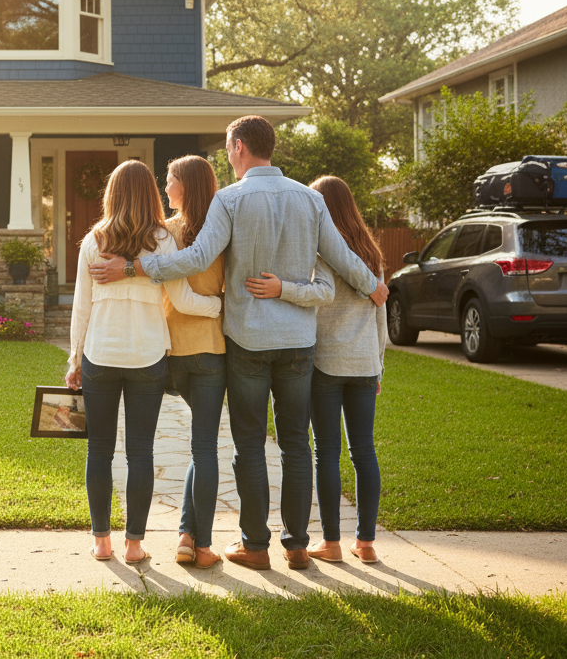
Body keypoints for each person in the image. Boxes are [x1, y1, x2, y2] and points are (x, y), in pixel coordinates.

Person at [90, 116, 387, 572]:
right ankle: (298, 546)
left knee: (249, 445)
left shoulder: (230, 200)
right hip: (298, 342)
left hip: (248, 341)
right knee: (295, 444)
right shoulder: (311, 200)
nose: (228, 158)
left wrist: (133, 269)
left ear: (241, 147)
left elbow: (195, 258)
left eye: (229, 149)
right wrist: (373, 285)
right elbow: (341, 255)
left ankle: (256, 545)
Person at [67, 160, 222, 565]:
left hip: (99, 354)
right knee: (140, 451)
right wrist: (221, 305)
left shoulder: (92, 241)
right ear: (150, 195)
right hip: (148, 357)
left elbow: (80, 309)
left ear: (112, 195)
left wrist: (73, 360)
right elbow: (186, 300)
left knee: (98, 451)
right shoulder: (162, 241)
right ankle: (134, 544)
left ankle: (102, 542)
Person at [245, 175, 386, 565]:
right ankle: (367, 542)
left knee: (326, 452)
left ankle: (332, 541)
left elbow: (316, 296)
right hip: (363, 364)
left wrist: (283, 289)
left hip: (324, 364)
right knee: (364, 451)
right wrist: (378, 367)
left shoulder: (322, 253)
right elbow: (381, 316)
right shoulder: (371, 255)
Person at [161, 155, 227, 569]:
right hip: (210, 350)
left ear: (184, 186)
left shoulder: (166, 233)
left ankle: (187, 535)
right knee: (205, 448)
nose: (165, 186)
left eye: (169, 180)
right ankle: (201, 545)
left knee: (199, 451)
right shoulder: (222, 230)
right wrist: (219, 304)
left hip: (172, 350)